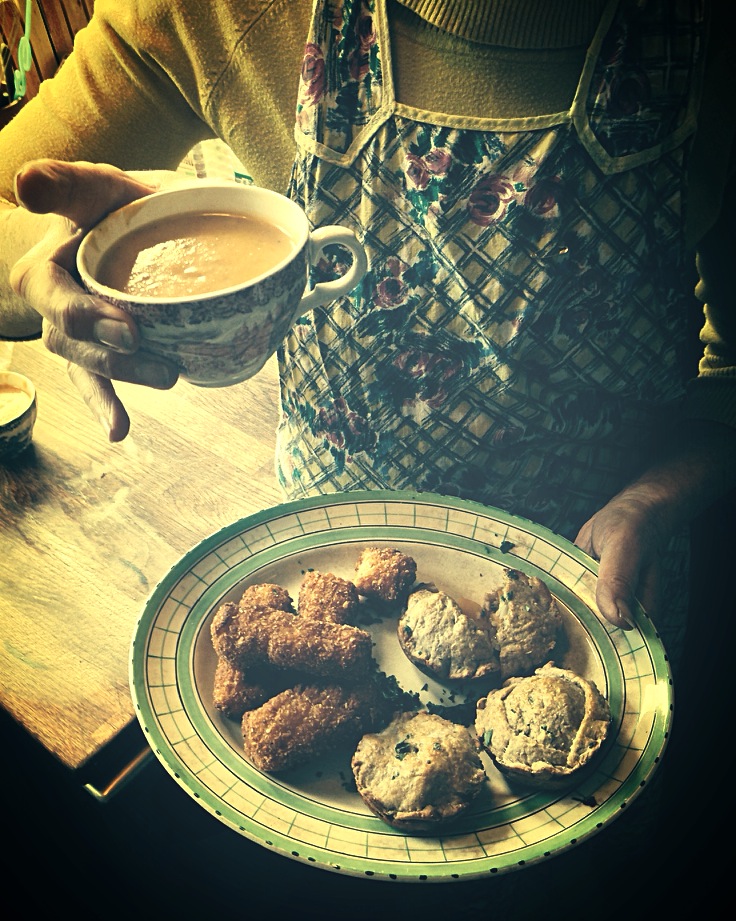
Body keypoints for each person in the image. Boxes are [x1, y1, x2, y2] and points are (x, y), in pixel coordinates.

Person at [0, 0, 734, 907]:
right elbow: (11, 210)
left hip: (600, 617)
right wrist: (43, 271)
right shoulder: (211, 11)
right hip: (320, 546)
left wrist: (653, 498)